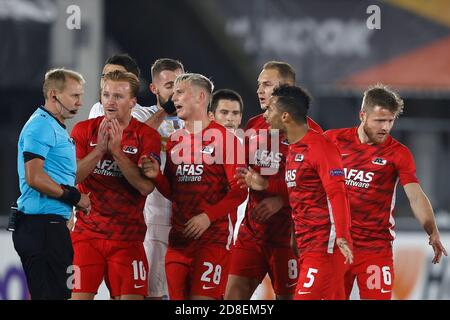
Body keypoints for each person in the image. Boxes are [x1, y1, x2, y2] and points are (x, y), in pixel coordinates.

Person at [324, 84, 448, 300]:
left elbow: (415, 196)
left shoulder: (397, 154)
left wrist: (432, 230)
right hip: (335, 245)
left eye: (390, 121)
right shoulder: (332, 140)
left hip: (375, 249)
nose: (385, 127)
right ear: (362, 115)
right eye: (379, 120)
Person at [238, 84, 353, 299]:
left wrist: (343, 236)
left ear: (285, 116)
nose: (265, 114)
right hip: (306, 247)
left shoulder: (320, 146)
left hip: (325, 248)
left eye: (270, 109)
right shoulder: (293, 149)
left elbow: (338, 193)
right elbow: (301, 195)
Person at [140, 73, 247, 300]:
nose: (173, 97)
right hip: (178, 243)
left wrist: (207, 216)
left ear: (200, 97)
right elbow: (172, 191)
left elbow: (239, 191)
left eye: (180, 92)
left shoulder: (227, 139)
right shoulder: (175, 139)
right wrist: (156, 176)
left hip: (213, 242)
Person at [226, 61, 322, 300]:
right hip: (252, 234)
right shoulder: (254, 125)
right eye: (259, 84)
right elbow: (244, 174)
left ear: (286, 88)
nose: (259, 90)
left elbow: (316, 190)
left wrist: (280, 198)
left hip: (289, 240)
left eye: (267, 84)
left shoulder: (313, 137)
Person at [70, 70, 161, 300]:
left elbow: (145, 187)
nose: (110, 101)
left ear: (133, 102)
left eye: (118, 96)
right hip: (86, 237)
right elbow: (72, 179)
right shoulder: (83, 130)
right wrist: (99, 151)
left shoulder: (146, 136)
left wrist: (117, 153)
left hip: (128, 240)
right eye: (106, 95)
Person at [13, 68, 91, 300]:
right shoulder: (41, 126)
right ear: (54, 95)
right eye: (74, 95)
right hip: (42, 227)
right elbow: (34, 177)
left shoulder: (54, 127)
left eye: (81, 95)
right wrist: (74, 198)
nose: (80, 101)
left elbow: (61, 176)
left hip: (50, 226)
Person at [143, 58, 184, 300]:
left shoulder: (195, 118)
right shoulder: (142, 114)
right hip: (155, 217)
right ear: (154, 89)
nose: (176, 91)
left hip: (188, 219)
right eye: (170, 85)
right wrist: (165, 110)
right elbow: (135, 138)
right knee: (154, 294)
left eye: (180, 83)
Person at [208, 89, 247, 243]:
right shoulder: (196, 146)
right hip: (211, 224)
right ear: (211, 115)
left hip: (240, 228)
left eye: (235, 113)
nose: (230, 118)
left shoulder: (251, 148)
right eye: (224, 112)